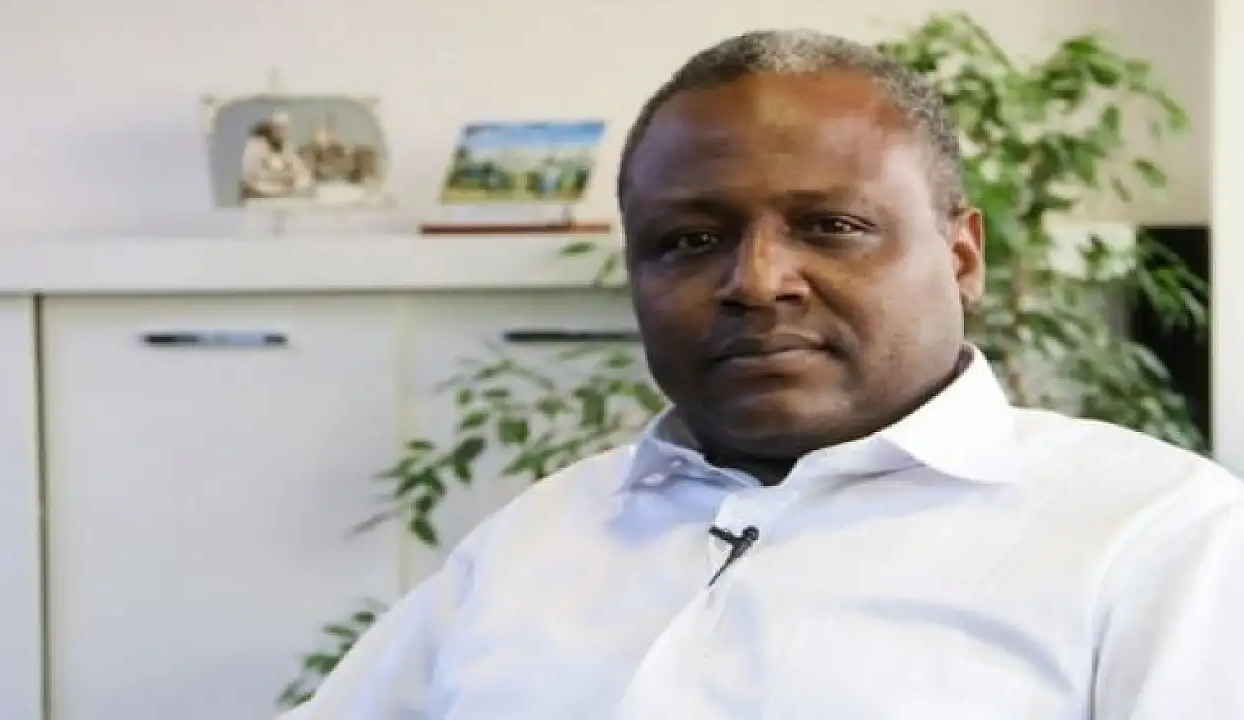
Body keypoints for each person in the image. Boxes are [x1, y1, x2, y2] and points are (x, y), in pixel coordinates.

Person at [280, 30, 1244, 719]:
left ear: (961, 258)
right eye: (689, 240)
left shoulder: (1156, 536)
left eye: (832, 227)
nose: (756, 281)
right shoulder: (535, 539)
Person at [239, 111, 313, 201]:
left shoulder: (286, 148)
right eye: (278, 127)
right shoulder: (255, 146)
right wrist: (279, 183)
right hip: (259, 200)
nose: (281, 132)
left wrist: (294, 183)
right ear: (271, 128)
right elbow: (250, 181)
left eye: (285, 128)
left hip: (283, 198)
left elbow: (303, 174)